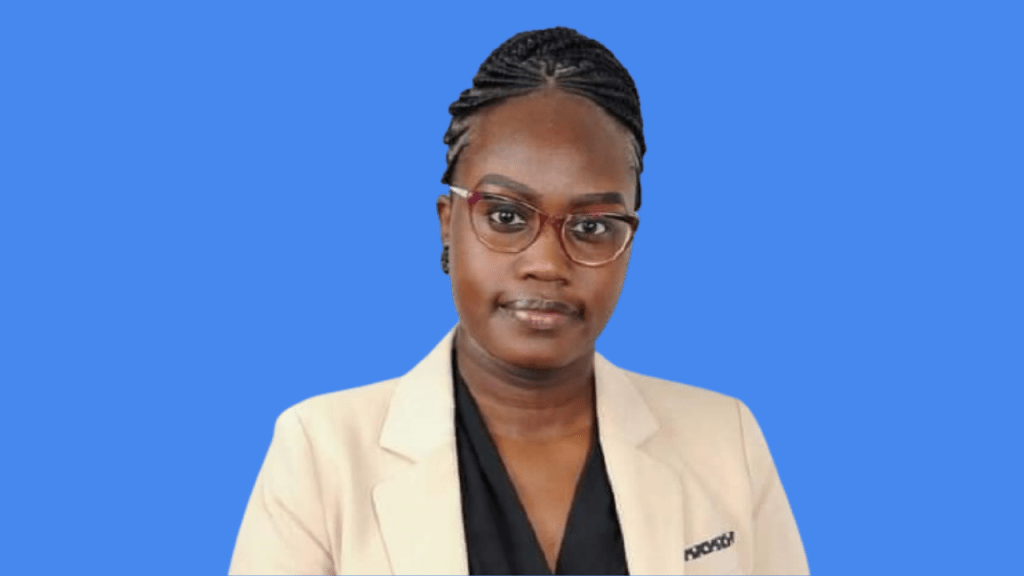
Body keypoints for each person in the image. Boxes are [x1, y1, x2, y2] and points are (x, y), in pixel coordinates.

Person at [228, 26, 809, 576]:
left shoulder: (725, 441)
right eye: (506, 217)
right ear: (448, 224)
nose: (547, 263)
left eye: (592, 226)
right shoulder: (322, 452)